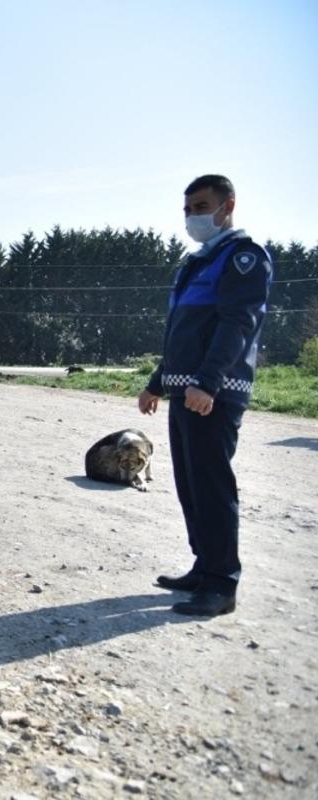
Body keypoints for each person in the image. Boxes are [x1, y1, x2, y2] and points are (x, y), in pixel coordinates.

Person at [138, 175, 272, 617]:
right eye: (187, 209)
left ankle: (221, 584)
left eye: (200, 206)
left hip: (213, 392)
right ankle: (204, 565)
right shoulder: (198, 262)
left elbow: (237, 324)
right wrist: (158, 381)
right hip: (186, 391)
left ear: (227, 205)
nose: (192, 216)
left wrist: (209, 382)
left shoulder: (243, 258)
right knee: (190, 484)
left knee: (212, 485)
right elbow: (183, 333)